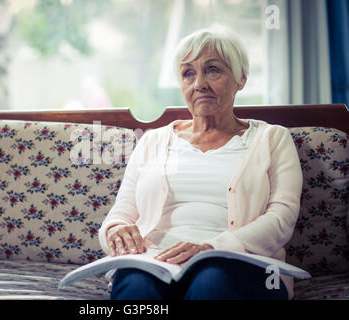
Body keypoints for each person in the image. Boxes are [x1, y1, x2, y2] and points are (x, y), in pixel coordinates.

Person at [98, 25, 303, 300]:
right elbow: (121, 213)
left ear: (241, 78)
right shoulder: (153, 141)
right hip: (155, 260)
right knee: (136, 287)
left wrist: (211, 248)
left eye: (213, 70)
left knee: (211, 283)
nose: (199, 84)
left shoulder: (272, 139)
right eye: (188, 73)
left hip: (238, 263)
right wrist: (116, 230)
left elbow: (281, 219)